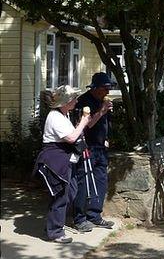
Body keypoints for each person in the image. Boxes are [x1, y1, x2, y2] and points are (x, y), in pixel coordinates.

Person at [34, 85, 91, 243]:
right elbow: (71, 138)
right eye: (73, 98)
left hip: (63, 159)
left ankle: (52, 225)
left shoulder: (64, 115)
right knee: (61, 196)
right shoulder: (55, 117)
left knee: (70, 192)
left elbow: (74, 136)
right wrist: (84, 122)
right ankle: (56, 232)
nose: (76, 101)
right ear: (65, 102)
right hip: (55, 160)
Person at [73, 73, 115, 232]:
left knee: (101, 181)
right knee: (84, 182)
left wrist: (107, 137)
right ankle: (80, 219)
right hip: (87, 147)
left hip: (101, 148)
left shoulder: (102, 101)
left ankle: (95, 216)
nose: (107, 92)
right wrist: (102, 111)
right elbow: (87, 125)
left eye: (109, 89)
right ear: (96, 88)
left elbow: (105, 123)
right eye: (105, 88)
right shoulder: (84, 101)